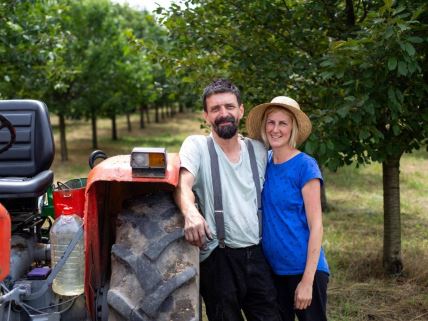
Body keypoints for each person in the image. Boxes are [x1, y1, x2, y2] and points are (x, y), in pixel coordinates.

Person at [174, 79, 281, 321]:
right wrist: (190, 211)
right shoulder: (197, 146)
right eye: (215, 109)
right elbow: (183, 183)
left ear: (241, 110)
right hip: (218, 258)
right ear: (206, 115)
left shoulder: (259, 149)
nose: (224, 114)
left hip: (258, 254)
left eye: (229, 107)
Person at [246, 96, 330, 321]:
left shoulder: (305, 165)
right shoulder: (264, 162)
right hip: (273, 272)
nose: (275, 129)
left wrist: (307, 281)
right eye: (271, 122)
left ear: (292, 128)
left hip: (303, 270)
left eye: (283, 123)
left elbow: (316, 226)